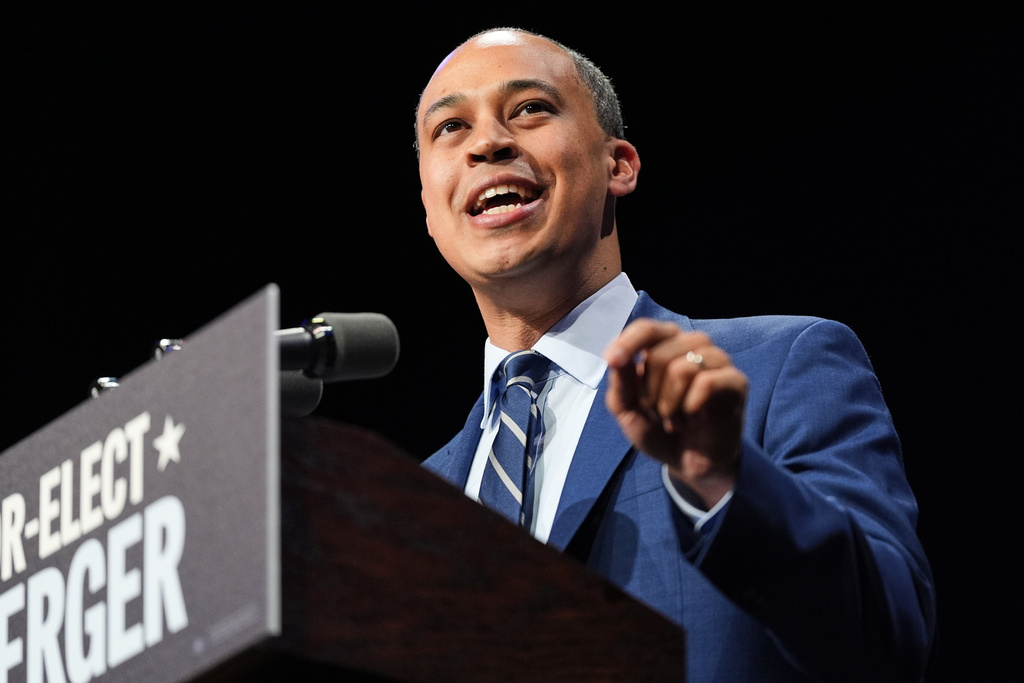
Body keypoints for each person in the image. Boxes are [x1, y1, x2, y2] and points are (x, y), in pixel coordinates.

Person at [415, 27, 935, 682]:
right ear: (432, 211)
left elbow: (887, 642)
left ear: (619, 165)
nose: (487, 142)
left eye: (529, 109)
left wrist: (725, 480)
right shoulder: (414, 497)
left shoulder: (778, 367)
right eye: (451, 128)